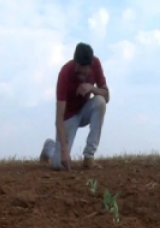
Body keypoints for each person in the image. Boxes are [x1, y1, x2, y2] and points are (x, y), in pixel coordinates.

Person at [40, 42, 110, 171]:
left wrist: (92, 88)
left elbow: (107, 97)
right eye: (79, 72)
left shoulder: (97, 64)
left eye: (85, 73)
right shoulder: (65, 73)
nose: (81, 76)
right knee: (59, 163)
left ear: (91, 66)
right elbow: (59, 117)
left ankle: (89, 157)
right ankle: (48, 146)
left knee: (100, 101)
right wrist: (65, 152)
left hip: (85, 110)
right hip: (68, 117)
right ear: (74, 62)